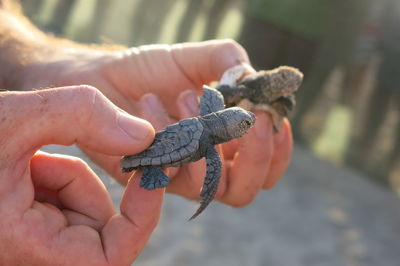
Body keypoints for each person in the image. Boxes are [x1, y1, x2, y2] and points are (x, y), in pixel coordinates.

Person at [0, 1, 293, 265]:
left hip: (164, 139)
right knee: (181, 170)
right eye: (243, 124)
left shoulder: (209, 116)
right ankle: (151, 172)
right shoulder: (208, 144)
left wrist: (53, 66)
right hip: (154, 151)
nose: (247, 125)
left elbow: (212, 96)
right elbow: (211, 169)